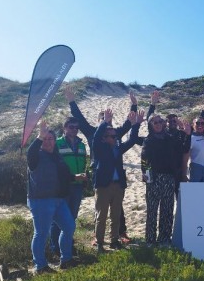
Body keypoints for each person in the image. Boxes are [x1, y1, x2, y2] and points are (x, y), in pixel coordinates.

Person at [65, 85, 154, 244]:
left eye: (110, 120)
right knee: (100, 210)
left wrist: (134, 105)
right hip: (100, 176)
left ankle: (120, 233)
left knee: (118, 210)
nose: (108, 123)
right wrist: (71, 101)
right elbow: (79, 117)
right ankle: (97, 237)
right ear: (99, 121)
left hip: (117, 178)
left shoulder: (115, 133)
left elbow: (130, 124)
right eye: (104, 119)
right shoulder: (92, 132)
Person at [26, 120, 84, 274]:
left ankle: (66, 260)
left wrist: (75, 177)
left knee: (69, 226)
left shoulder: (57, 156)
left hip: (59, 200)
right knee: (41, 233)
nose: (48, 142)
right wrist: (39, 136)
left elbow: (64, 176)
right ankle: (41, 266)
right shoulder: (36, 156)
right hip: (41, 200)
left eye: (51, 139)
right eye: (45, 139)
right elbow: (29, 153)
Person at [91, 109, 144, 252]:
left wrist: (137, 124)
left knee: (116, 215)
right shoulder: (99, 148)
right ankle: (100, 243)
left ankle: (114, 240)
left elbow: (132, 140)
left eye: (115, 136)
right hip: (103, 187)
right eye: (111, 136)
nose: (115, 138)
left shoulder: (118, 149)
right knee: (101, 216)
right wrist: (104, 122)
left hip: (118, 186)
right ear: (104, 137)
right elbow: (95, 138)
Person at [142, 114, 191, 244]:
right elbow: (144, 160)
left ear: (164, 124)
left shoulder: (170, 138)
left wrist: (187, 135)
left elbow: (184, 149)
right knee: (152, 210)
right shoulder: (149, 140)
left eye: (160, 122)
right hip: (154, 178)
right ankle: (150, 240)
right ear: (151, 125)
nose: (158, 124)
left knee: (167, 210)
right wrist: (146, 175)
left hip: (169, 178)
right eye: (155, 123)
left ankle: (164, 238)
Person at [49, 116, 87, 257]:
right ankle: (55, 249)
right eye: (71, 127)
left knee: (71, 218)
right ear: (64, 128)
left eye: (77, 127)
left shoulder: (81, 144)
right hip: (62, 187)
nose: (75, 130)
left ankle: (68, 246)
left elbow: (84, 163)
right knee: (58, 218)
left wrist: (85, 174)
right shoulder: (57, 143)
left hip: (77, 186)